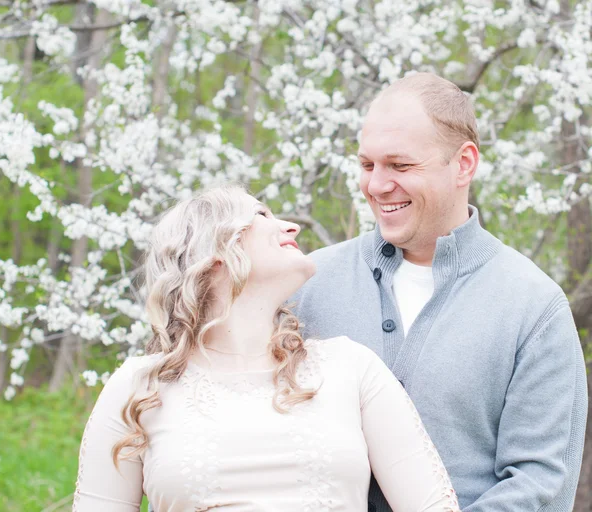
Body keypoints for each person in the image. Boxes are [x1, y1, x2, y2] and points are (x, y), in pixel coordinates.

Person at [291, 72, 588, 511]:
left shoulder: (533, 307)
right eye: (367, 165)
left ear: (464, 164)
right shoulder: (307, 284)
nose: (376, 185)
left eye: (401, 165)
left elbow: (540, 485)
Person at [72, 185, 460, 511]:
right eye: (261, 215)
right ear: (214, 250)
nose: (289, 225)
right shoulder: (140, 386)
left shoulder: (351, 367)